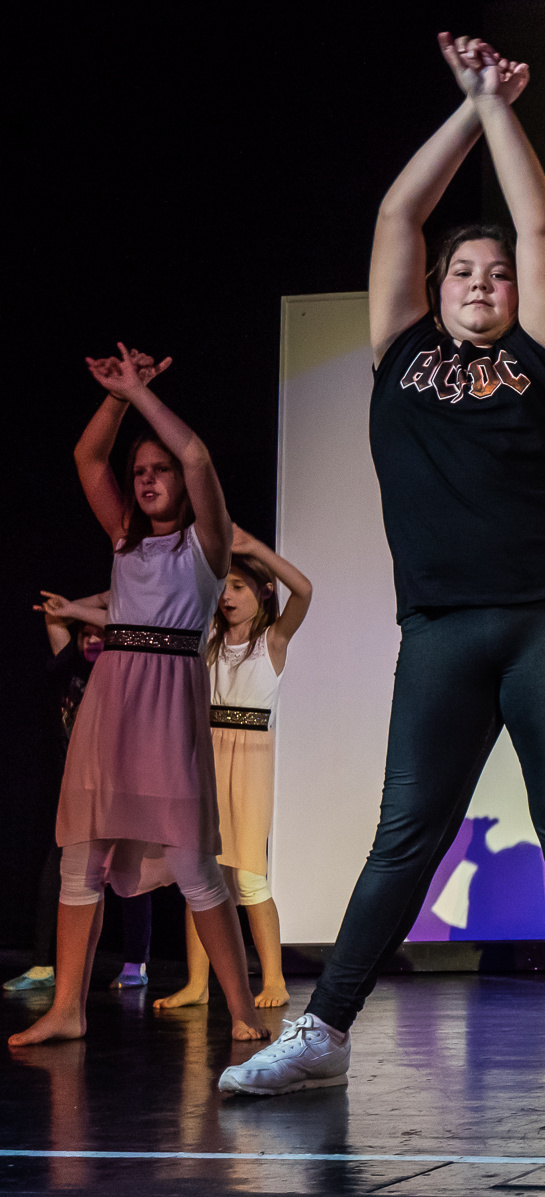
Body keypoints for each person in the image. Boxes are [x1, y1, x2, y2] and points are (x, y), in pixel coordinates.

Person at [221, 34, 545, 1095]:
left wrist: (504, 111)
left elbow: (538, 226)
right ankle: (323, 1031)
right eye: (464, 271)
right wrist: (469, 102)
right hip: (444, 626)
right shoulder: (400, 353)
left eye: (497, 274)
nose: (482, 282)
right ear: (437, 287)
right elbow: (397, 216)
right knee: (406, 834)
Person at [10, 346, 268, 1047]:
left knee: (192, 864)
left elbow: (200, 457)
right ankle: (68, 1008)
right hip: (112, 703)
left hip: (168, 708)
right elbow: (88, 457)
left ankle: (242, 1009)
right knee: (81, 857)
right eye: (140, 472)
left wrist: (144, 394)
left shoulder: (207, 547)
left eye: (160, 470)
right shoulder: (125, 540)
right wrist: (117, 396)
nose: (149, 479)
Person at [155, 529, 311, 1011]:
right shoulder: (211, 640)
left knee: (248, 878)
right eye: (224, 587)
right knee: (199, 875)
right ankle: (197, 984)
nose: (227, 597)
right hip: (207, 757)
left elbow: (304, 590)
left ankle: (274, 979)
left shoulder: (272, 641)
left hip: (249, 762)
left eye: (239, 587)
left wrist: (254, 549)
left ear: (263, 591)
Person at [13, 592, 156, 995]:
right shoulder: (70, 670)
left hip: (123, 786)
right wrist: (73, 610)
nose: (92, 639)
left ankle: (136, 962)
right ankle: (43, 965)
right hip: (76, 788)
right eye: (85, 634)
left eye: (100, 633)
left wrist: (80, 609)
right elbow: (55, 618)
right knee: (58, 869)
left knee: (130, 872)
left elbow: (120, 623)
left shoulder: (126, 671)